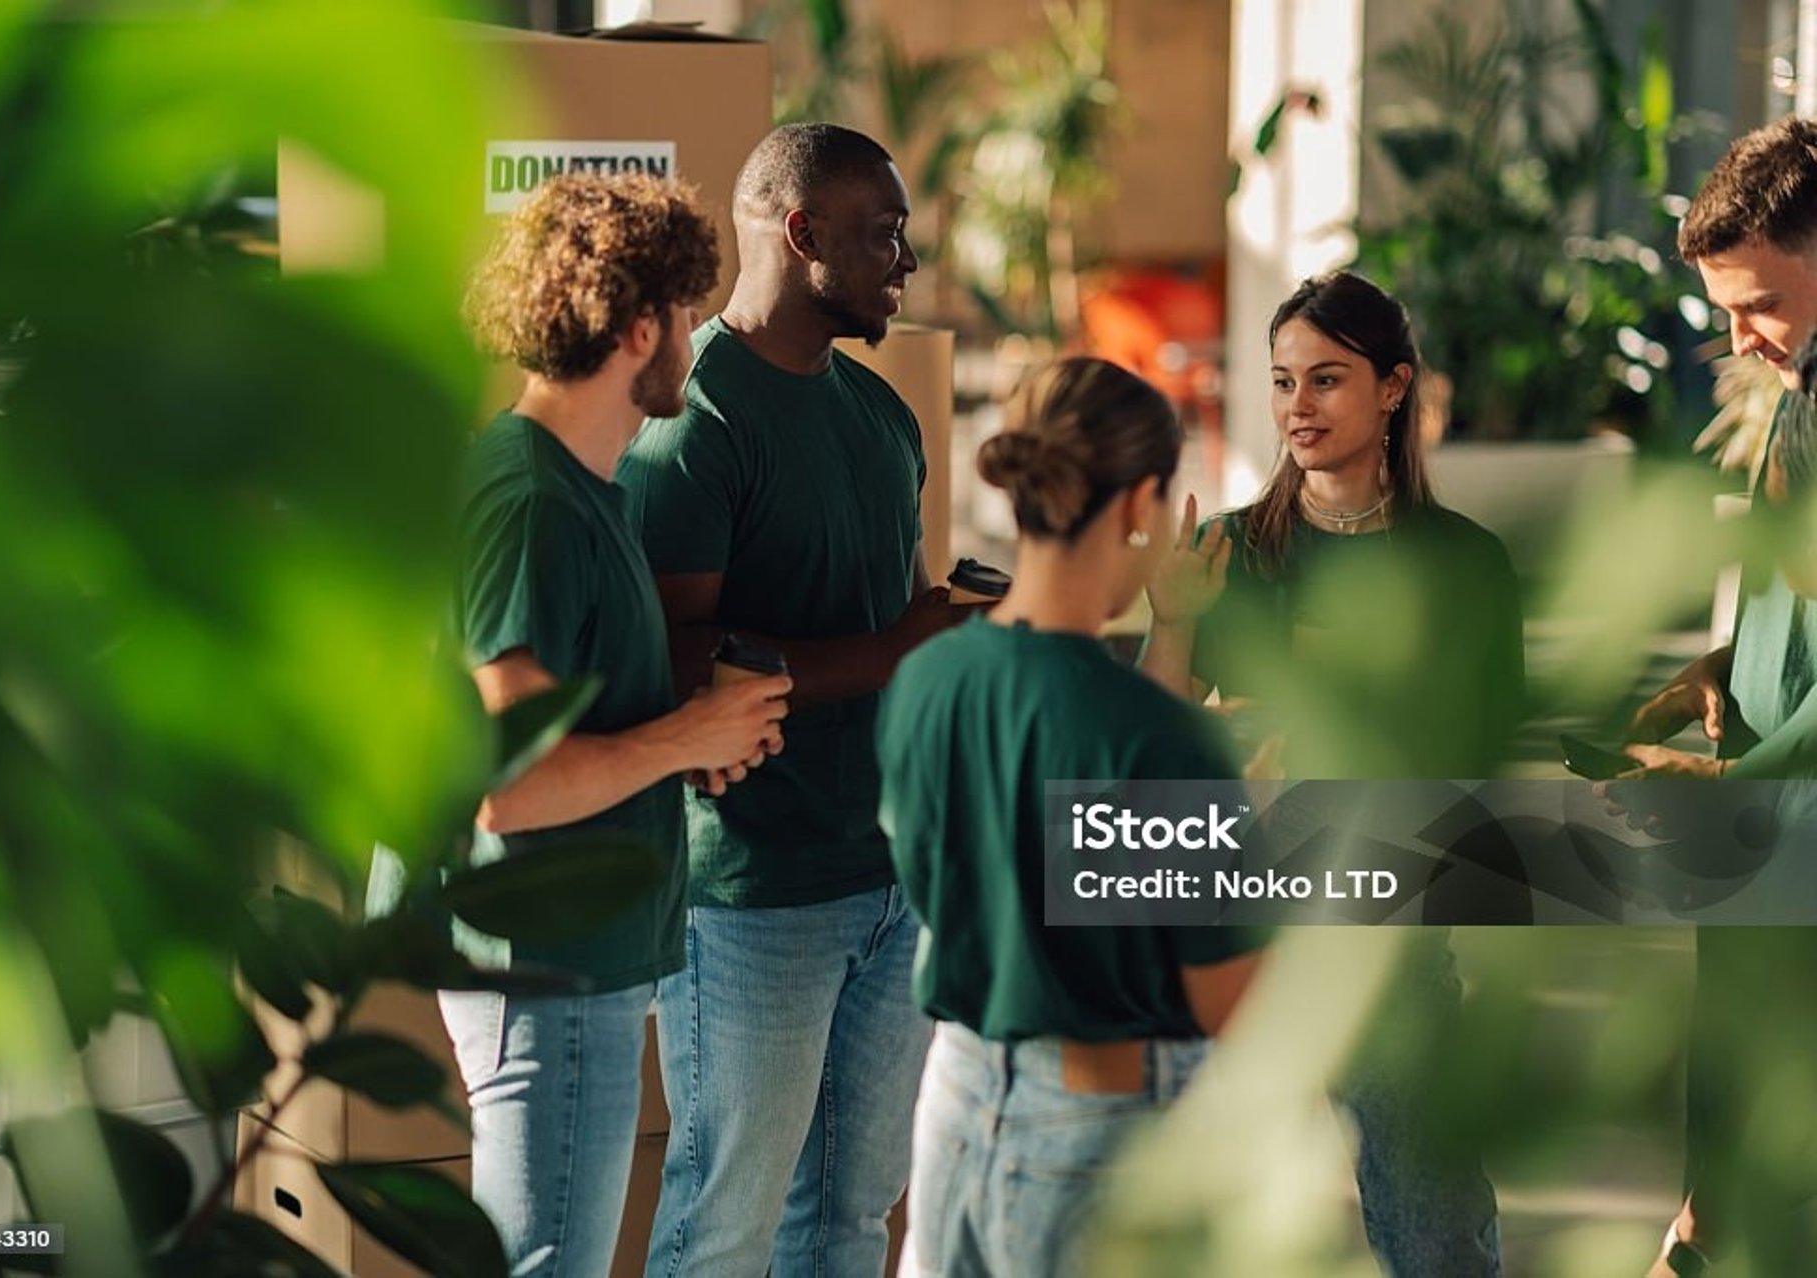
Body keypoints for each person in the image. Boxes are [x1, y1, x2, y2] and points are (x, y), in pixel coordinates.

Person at [617, 123, 967, 1277]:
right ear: (802, 234)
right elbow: (670, 655)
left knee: (853, 1217)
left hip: (891, 881)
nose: (905, 261)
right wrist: (885, 652)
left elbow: (896, 621)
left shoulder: (882, 419)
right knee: (727, 1224)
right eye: (883, 235)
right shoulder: (693, 420)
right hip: (750, 897)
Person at [446, 174, 790, 1278]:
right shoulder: (532, 500)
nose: (692, 338)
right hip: (549, 968)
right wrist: (684, 741)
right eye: (686, 314)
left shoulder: (579, 485)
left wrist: (698, 731)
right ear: (641, 326)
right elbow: (512, 780)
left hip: (583, 962)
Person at [1144, 270, 1521, 1277]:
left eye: (1326, 381)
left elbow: (1485, 766)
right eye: (1281, 382)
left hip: (1389, 940)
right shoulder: (1229, 550)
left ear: (1393, 388)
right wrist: (1175, 621)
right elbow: (1154, 748)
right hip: (1233, 932)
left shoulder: (1466, 566)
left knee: (1434, 1234)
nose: (1296, 409)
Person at [876, 357, 1265, 1276]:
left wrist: (1173, 629)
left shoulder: (928, 677)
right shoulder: (1163, 745)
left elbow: (1042, 839)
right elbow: (1230, 1003)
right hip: (1098, 1134)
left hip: (958, 1100)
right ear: (1140, 506)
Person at [1624, 117, 1817, 1276]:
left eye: (1762, 304)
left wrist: (1741, 778)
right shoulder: (1802, 381)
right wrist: (1722, 667)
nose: (1741, 338)